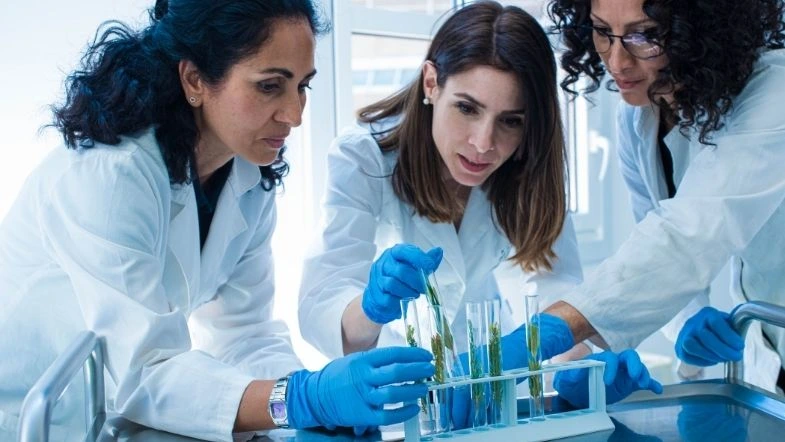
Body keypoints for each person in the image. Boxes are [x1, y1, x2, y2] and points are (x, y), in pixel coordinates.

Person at [0, 1, 436, 441]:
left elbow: (242, 333)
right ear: (194, 80)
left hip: (104, 414)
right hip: (27, 417)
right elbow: (145, 372)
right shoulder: (111, 176)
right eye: (270, 86)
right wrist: (301, 400)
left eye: (302, 86)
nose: (296, 114)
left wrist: (311, 410)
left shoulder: (246, 174)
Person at [298, 0, 661, 427]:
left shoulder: (527, 170)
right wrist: (372, 308)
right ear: (431, 83)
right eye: (467, 108)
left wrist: (581, 372)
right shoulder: (365, 158)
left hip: (498, 407)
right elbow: (323, 309)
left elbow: (552, 296)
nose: (484, 143)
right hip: (393, 411)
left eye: (510, 121)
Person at [544, 0, 785, 393]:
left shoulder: (776, 90)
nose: (618, 62)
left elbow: (691, 234)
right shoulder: (638, 118)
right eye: (603, 31)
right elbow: (653, 233)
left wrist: (554, 328)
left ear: (703, 32)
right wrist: (691, 314)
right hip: (768, 368)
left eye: (646, 36)